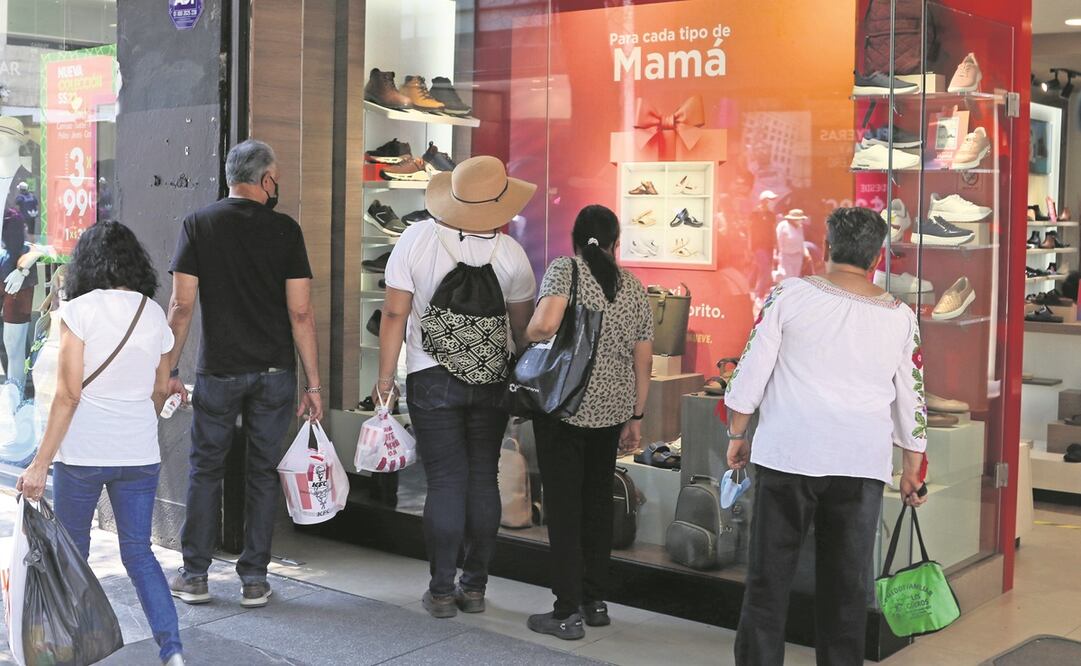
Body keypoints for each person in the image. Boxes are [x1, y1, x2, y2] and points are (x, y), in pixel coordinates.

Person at [724, 207, 928, 666]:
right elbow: (911, 395)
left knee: (767, 583)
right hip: (861, 463)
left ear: (828, 245)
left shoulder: (790, 295)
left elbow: (752, 369)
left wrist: (737, 432)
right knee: (845, 590)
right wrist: (913, 465)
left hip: (788, 454)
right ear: (878, 257)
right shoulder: (900, 316)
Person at [16, 221, 185, 666]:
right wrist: (134, 426)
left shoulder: (79, 311)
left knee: (74, 553)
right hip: (140, 455)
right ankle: (172, 650)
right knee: (139, 554)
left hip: (83, 455)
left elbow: (69, 395)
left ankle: (76, 651)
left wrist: (39, 464)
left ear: (87, 263)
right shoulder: (152, 313)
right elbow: (159, 387)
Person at [375, 155, 536, 619]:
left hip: (429, 376)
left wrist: (386, 378)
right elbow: (521, 331)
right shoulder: (511, 255)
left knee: (445, 481)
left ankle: (442, 591)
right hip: (491, 380)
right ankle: (476, 588)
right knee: (483, 478)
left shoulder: (416, 239)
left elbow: (393, 315)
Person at [166, 139, 322, 609]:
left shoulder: (199, 225)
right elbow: (301, 313)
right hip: (275, 372)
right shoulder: (286, 231)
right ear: (266, 180)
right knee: (261, 472)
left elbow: (181, 305)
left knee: (205, 468)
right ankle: (254, 579)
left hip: (219, 371)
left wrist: (169, 368)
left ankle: (194, 575)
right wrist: (312, 382)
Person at [523, 205, 653, 640]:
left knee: (563, 509)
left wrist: (526, 337)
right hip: (612, 412)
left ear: (575, 239)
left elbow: (544, 326)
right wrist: (636, 415)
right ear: (617, 242)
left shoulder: (566, 270)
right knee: (598, 506)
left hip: (566, 407)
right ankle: (595, 602)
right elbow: (643, 360)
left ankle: (565, 611)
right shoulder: (633, 285)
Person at [749, 190, 778, 299]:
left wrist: (776, 245)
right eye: (771, 199)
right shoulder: (755, 213)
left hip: (769, 246)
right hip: (758, 246)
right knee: (764, 269)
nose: (772, 201)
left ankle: (750, 288)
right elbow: (750, 230)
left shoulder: (771, 215)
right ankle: (759, 295)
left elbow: (773, 230)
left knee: (760, 268)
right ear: (764, 201)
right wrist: (749, 247)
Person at [774, 208, 808, 280]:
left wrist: (804, 253)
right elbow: (778, 241)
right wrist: (777, 254)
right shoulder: (782, 226)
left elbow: (801, 241)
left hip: (798, 256)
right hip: (786, 256)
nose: (801, 221)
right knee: (788, 276)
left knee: (795, 276)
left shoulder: (800, 227)